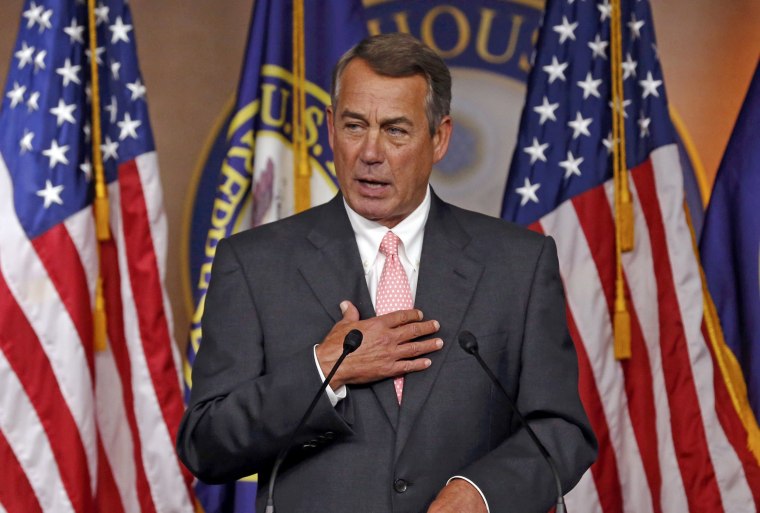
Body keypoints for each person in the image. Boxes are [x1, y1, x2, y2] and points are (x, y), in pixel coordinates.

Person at [177, 33, 597, 513]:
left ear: (439, 138)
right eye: (355, 126)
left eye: (396, 130)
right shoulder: (253, 264)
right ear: (331, 128)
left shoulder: (518, 264)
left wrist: (482, 494)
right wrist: (324, 370)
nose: (370, 153)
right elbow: (205, 445)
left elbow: (560, 429)